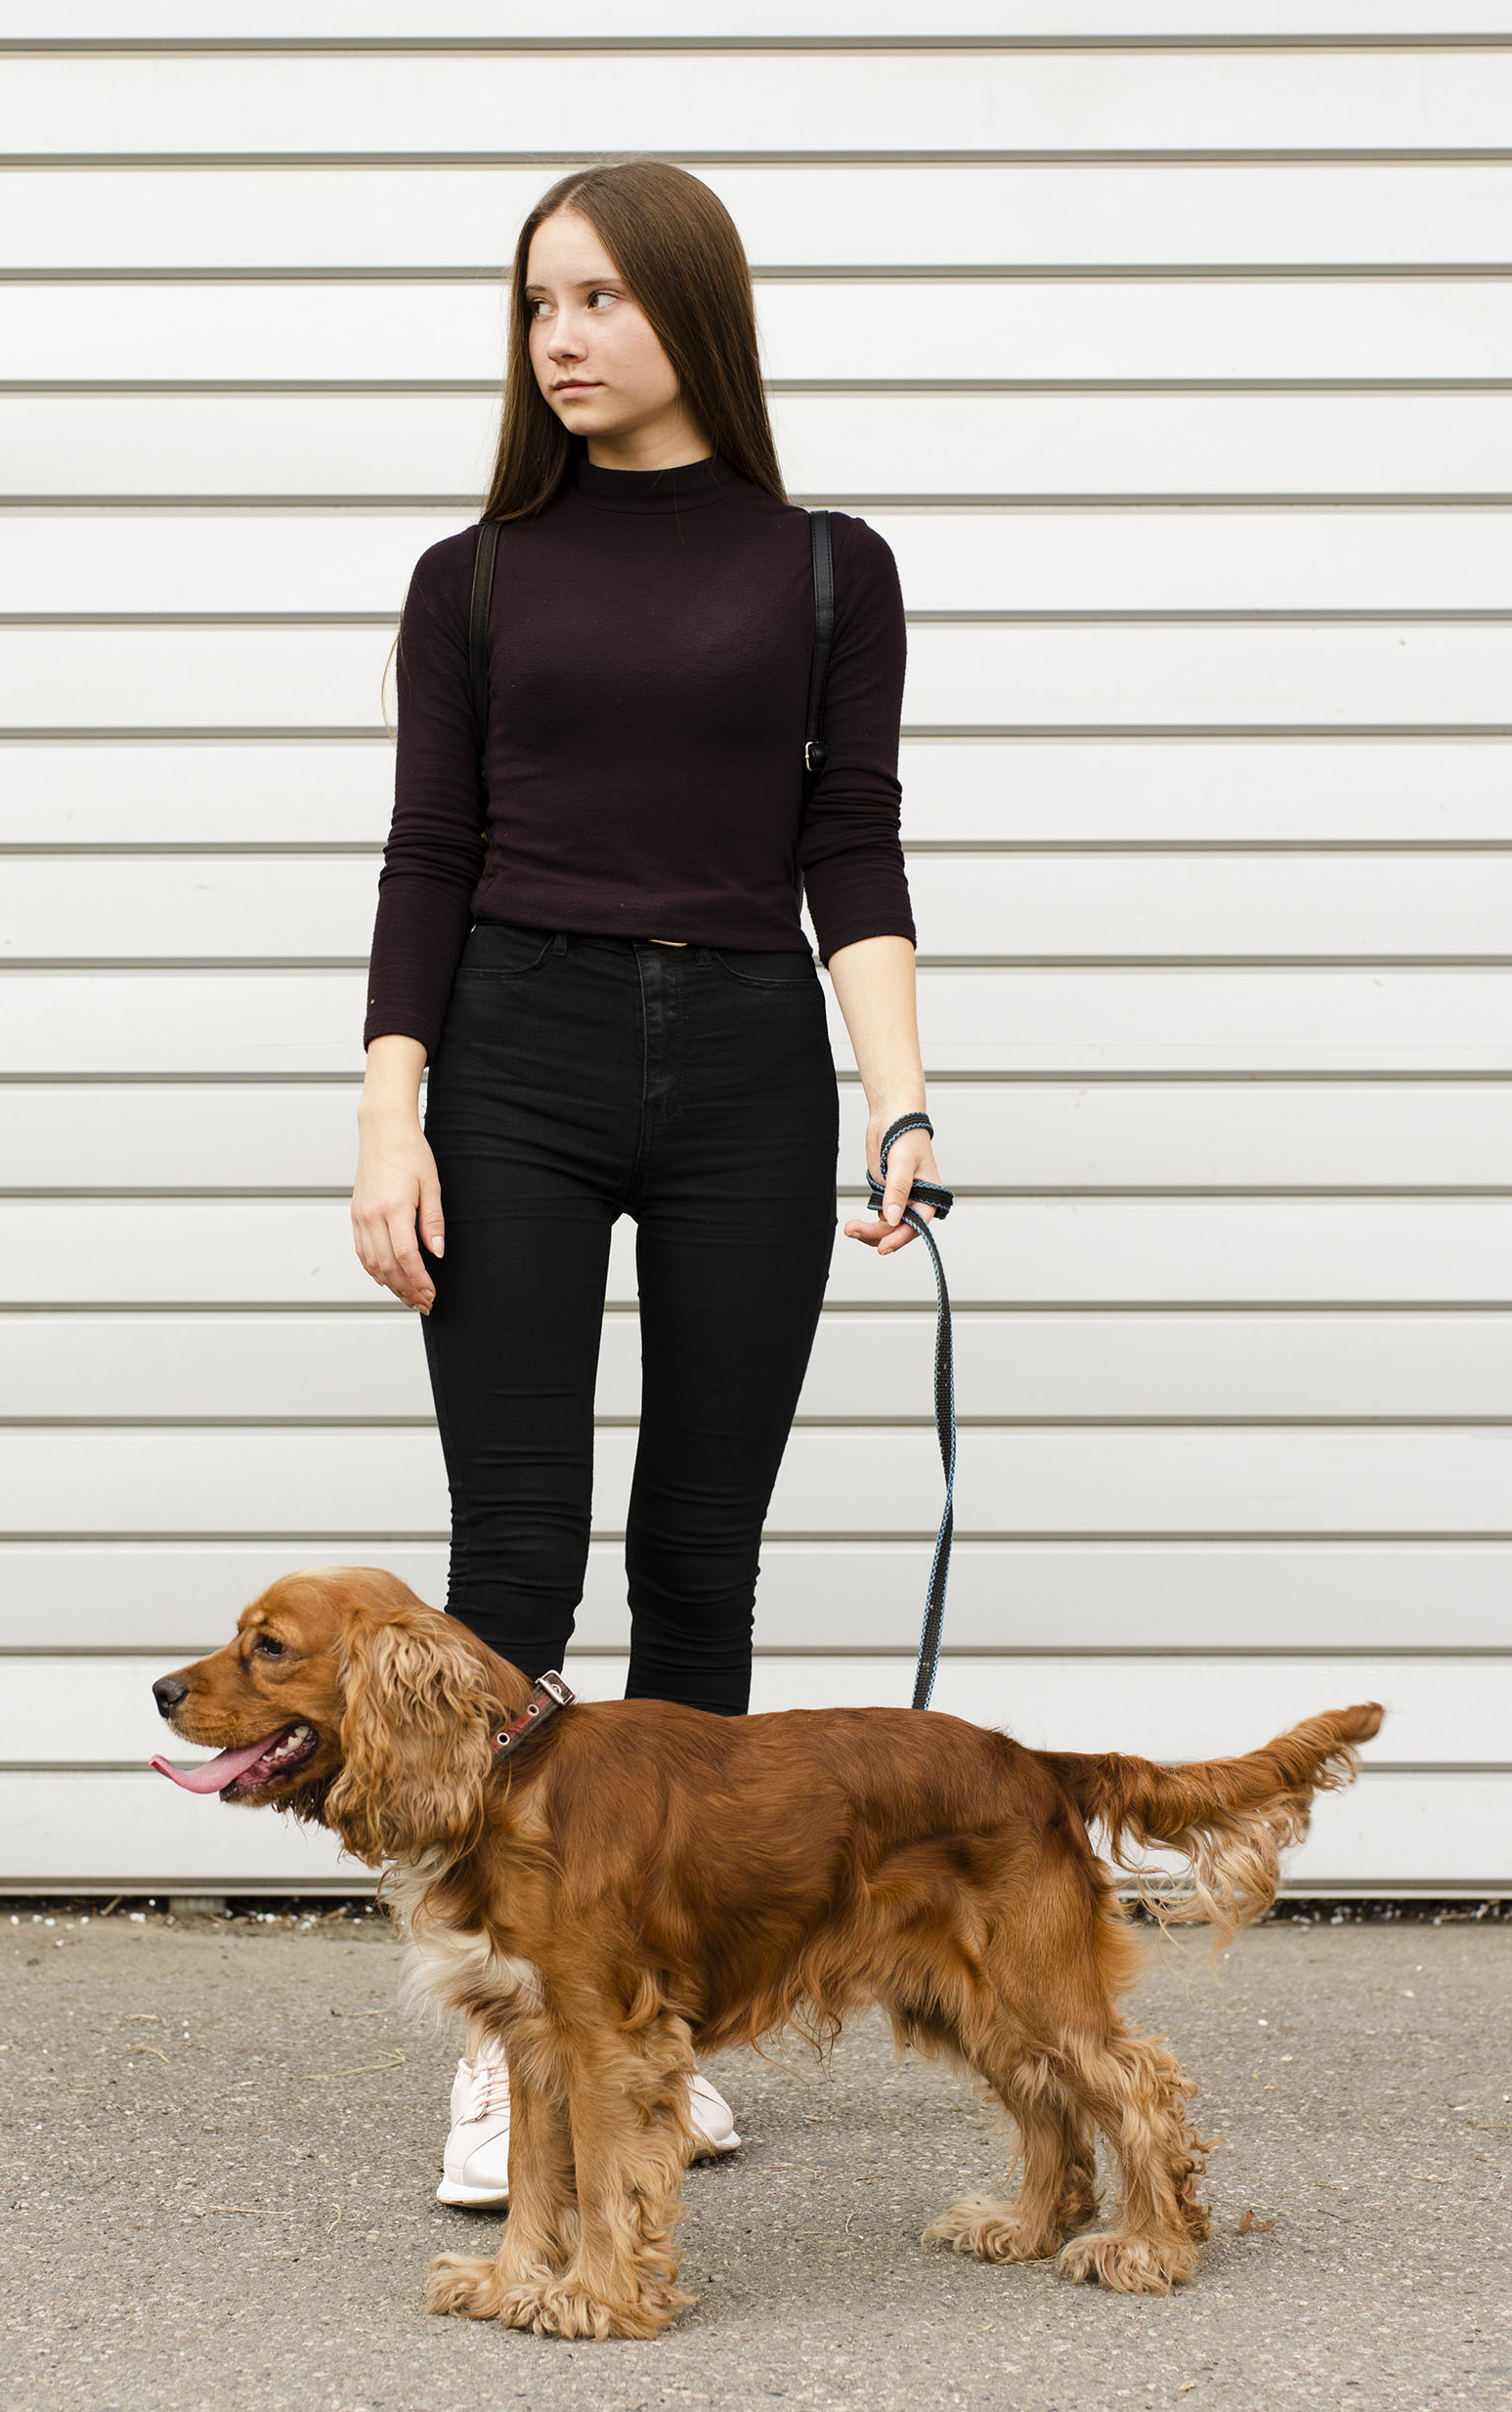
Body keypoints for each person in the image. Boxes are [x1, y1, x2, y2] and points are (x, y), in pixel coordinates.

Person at [351, 157, 944, 2210]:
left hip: (748, 1078)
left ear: (690, 308)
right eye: (535, 308)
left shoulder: (824, 572)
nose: (561, 341)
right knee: (510, 1553)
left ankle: (654, 2012)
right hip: (510, 1050)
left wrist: (900, 1106)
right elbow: (427, 850)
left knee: (700, 1546)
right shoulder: (476, 577)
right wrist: (388, 1113)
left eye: (596, 298)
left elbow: (846, 847)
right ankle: (508, 2018)